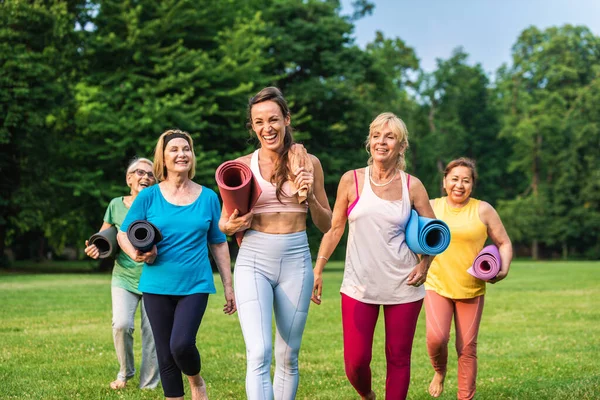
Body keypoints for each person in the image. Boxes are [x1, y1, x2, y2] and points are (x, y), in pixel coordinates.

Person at [311, 112, 434, 400]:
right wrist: (318, 268)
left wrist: (426, 264)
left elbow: (434, 235)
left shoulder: (412, 186)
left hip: (404, 285)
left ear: (401, 146)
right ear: (370, 142)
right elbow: (334, 228)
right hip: (358, 286)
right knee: (355, 362)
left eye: (390, 136)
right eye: (377, 135)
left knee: (398, 358)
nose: (382, 142)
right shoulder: (351, 180)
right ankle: (367, 394)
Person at [219, 87, 332, 400]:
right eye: (258, 122)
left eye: (273, 119)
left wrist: (308, 195)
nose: (266, 127)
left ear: (286, 119)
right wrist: (230, 226)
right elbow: (224, 221)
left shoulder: (310, 164)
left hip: (296, 260)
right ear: (252, 126)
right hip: (254, 259)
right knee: (259, 352)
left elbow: (326, 223)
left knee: (287, 355)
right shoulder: (241, 166)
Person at [117, 130, 236, 400]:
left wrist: (229, 286)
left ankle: (196, 380)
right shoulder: (148, 197)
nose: (181, 154)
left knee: (181, 344)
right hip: (156, 283)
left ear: (192, 156)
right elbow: (124, 232)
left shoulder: (208, 197)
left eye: (186, 149)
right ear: (163, 157)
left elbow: (218, 243)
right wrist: (135, 253)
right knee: (165, 352)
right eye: (174, 149)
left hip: (195, 283)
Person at [424, 157, 512, 400]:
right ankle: (439, 371)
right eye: (454, 179)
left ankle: (465, 397)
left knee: (467, 348)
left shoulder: (483, 209)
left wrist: (502, 269)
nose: (459, 185)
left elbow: (503, 242)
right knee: (436, 339)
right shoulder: (431, 206)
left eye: (466, 180)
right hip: (437, 284)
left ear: (472, 184)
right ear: (444, 182)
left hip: (471, 288)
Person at [84, 157, 159, 391]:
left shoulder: (159, 204)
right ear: (129, 179)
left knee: (153, 333)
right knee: (121, 324)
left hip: (155, 276)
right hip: (124, 277)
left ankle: (148, 384)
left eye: (150, 174)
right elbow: (103, 236)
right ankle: (125, 373)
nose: (145, 177)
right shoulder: (116, 204)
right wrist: (95, 248)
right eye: (139, 172)